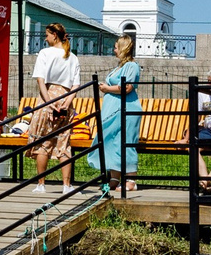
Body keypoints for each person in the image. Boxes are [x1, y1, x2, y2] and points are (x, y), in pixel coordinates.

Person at [85, 34, 142, 198]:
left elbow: (127, 87)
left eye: (116, 47)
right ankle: (114, 176)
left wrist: (106, 89)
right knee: (112, 142)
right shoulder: (118, 67)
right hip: (113, 110)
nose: (114, 49)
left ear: (123, 48)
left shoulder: (132, 66)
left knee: (125, 142)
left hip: (126, 109)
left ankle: (131, 179)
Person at [29, 22, 80, 192]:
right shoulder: (72, 57)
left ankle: (41, 184)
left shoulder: (44, 53)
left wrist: (48, 103)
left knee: (43, 142)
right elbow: (75, 85)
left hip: (48, 96)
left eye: (47, 34)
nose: (46, 38)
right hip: (65, 98)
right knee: (64, 142)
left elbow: (41, 81)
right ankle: (66, 185)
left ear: (54, 35)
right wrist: (66, 103)